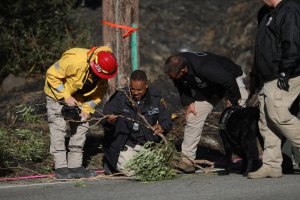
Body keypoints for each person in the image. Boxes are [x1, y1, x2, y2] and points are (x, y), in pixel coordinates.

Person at [164, 51, 249, 173]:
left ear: (183, 71)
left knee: (237, 119)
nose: (170, 78)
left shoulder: (204, 67)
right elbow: (181, 85)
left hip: (232, 83)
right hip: (211, 88)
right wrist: (189, 102)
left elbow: (228, 80)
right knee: (193, 116)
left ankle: (248, 157)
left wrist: (233, 100)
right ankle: (187, 161)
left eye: (173, 76)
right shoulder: (177, 64)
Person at [44, 46, 118, 179]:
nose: (101, 77)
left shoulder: (104, 71)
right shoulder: (75, 60)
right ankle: (61, 167)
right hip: (57, 94)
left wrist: (87, 109)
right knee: (58, 128)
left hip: (79, 98)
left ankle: (75, 166)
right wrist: (65, 96)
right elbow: (51, 74)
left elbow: (98, 94)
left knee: (81, 127)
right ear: (93, 63)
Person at [247, 0, 300, 179]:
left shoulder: (290, 8)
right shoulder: (266, 12)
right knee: (266, 122)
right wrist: (255, 76)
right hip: (267, 77)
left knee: (278, 115)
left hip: (286, 74)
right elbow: (261, 47)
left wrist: (285, 71)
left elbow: (292, 41)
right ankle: (271, 165)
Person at [101, 70, 172, 176]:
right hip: (124, 144)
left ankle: (120, 165)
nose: (135, 92)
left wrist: (162, 126)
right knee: (132, 172)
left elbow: (166, 118)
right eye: (132, 89)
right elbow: (105, 115)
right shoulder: (120, 96)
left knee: (155, 169)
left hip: (147, 143)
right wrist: (109, 120)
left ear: (146, 86)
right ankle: (111, 164)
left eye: (139, 89)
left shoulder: (156, 98)